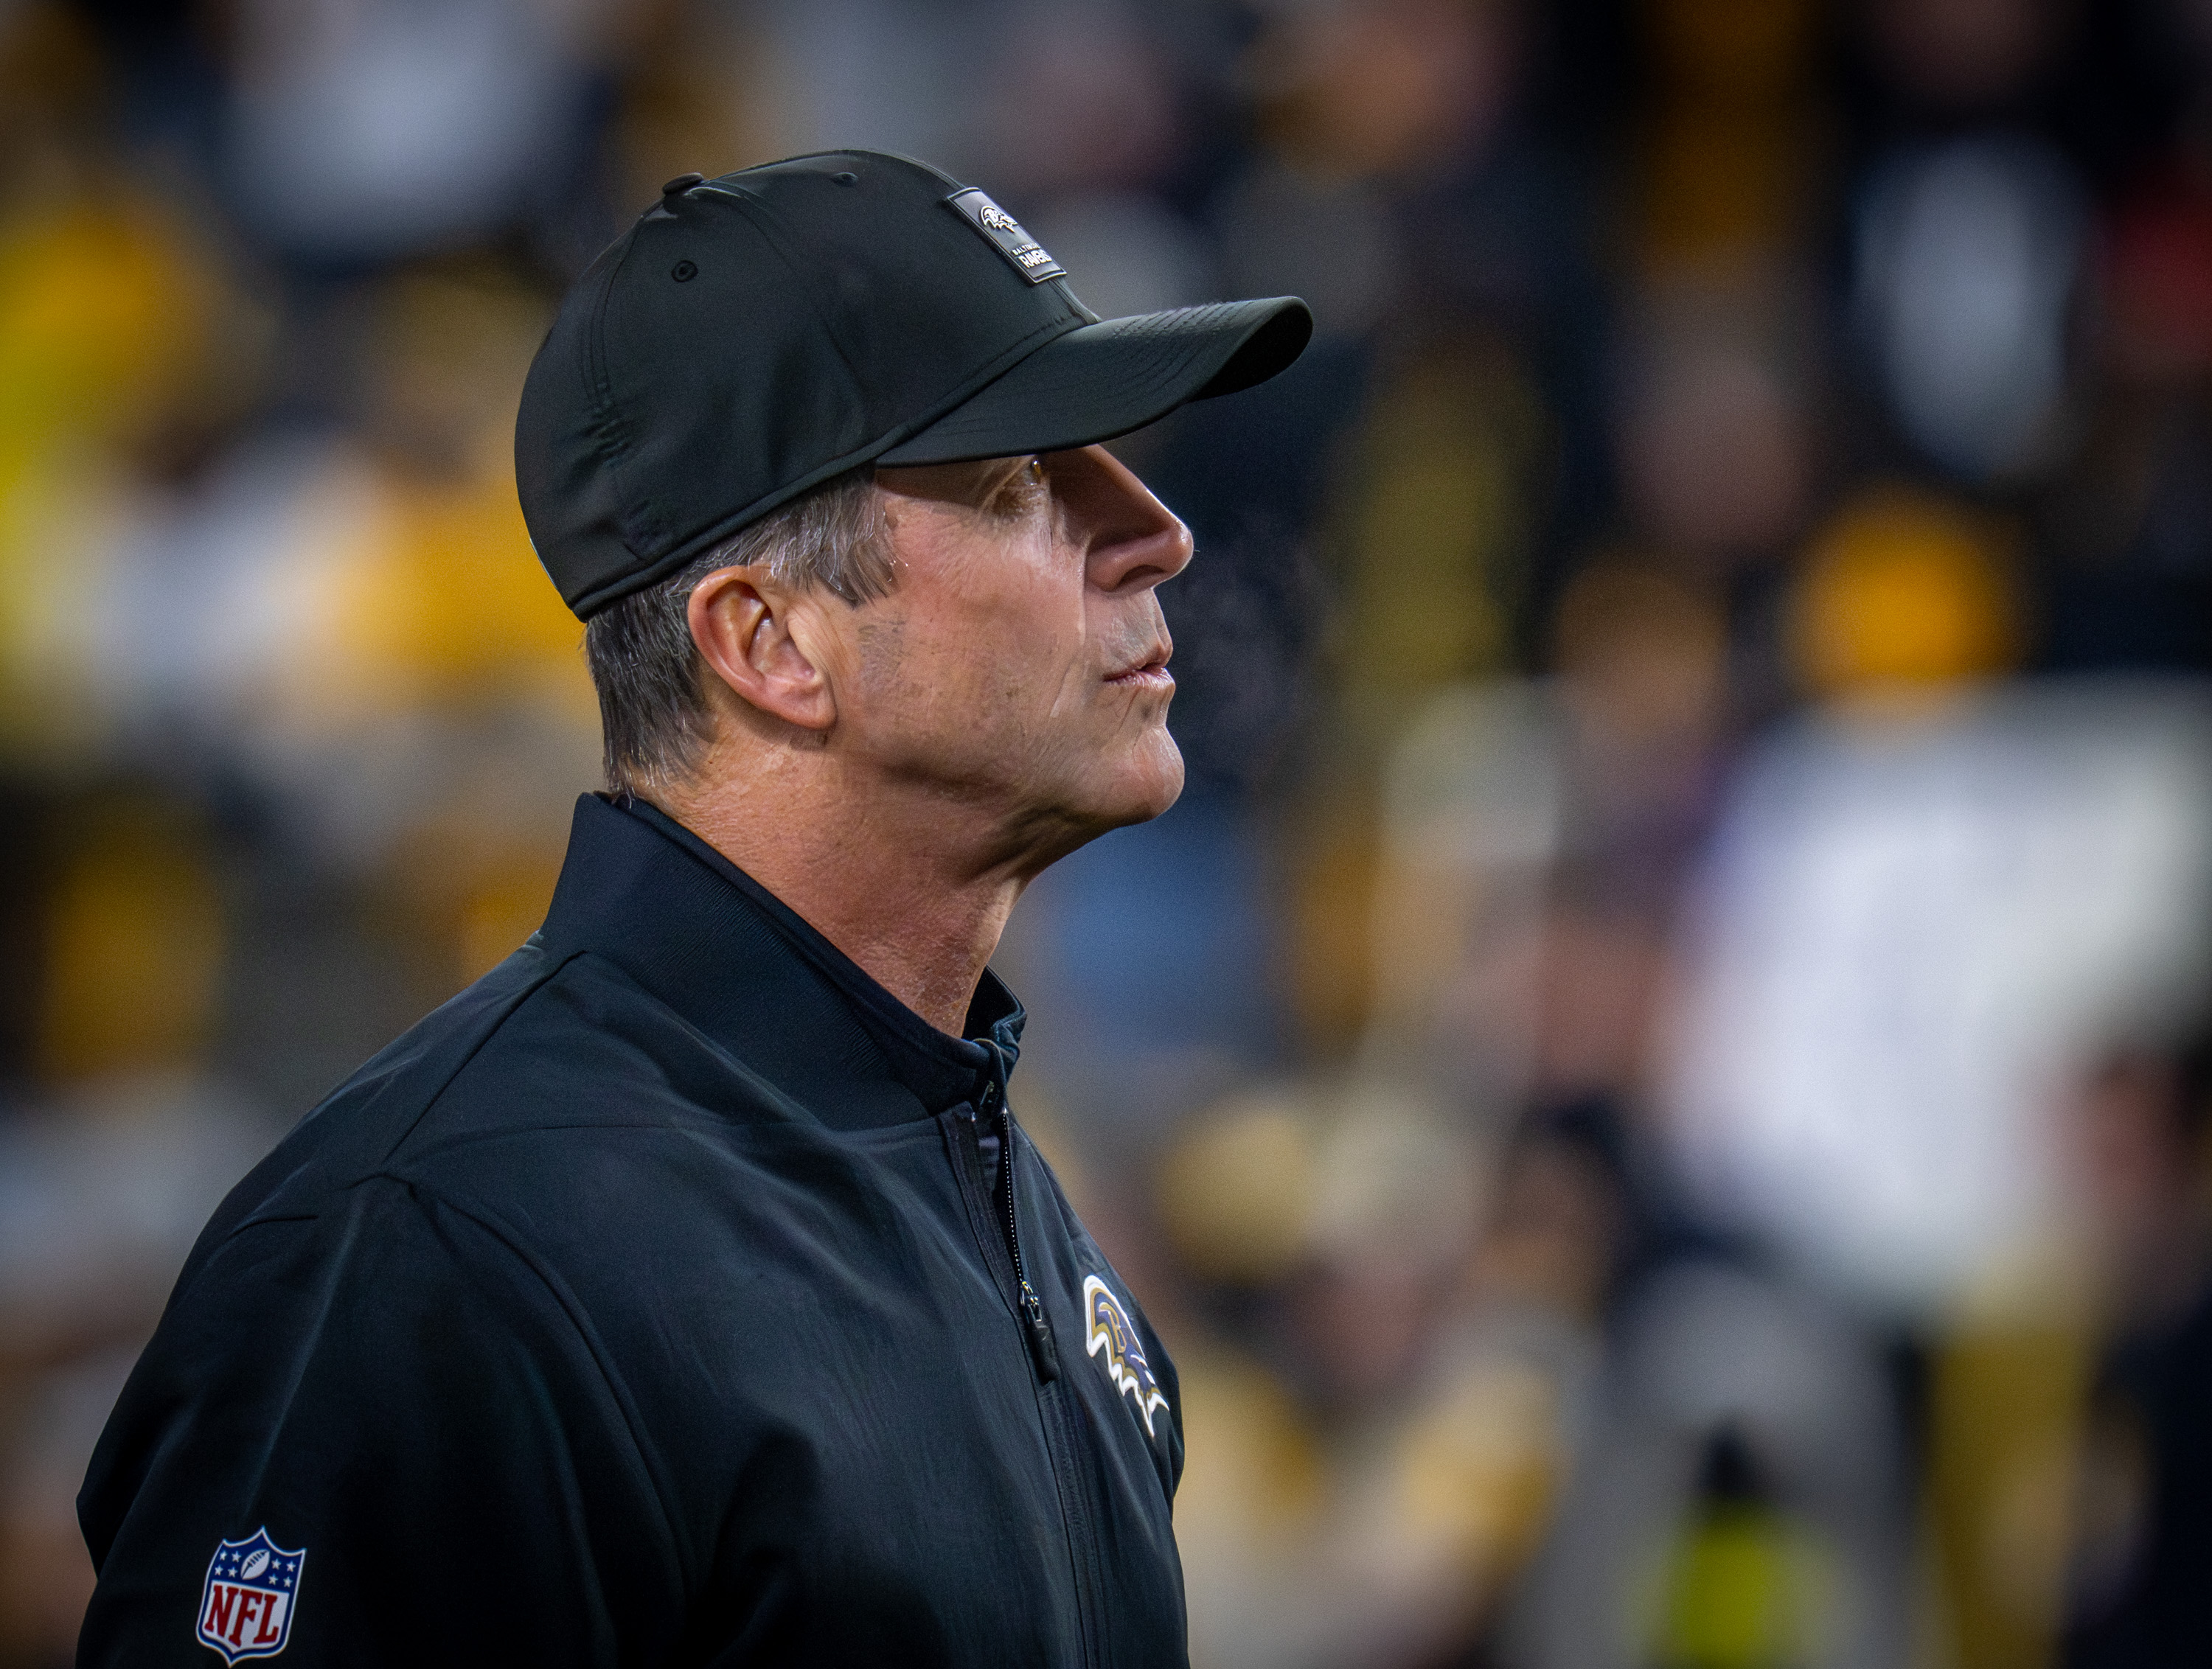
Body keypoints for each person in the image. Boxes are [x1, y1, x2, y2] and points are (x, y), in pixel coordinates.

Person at [74, 151, 1311, 1666]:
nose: (1157, 530)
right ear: (772, 642)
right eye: (1018, 483)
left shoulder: (989, 1182)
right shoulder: (433, 1259)